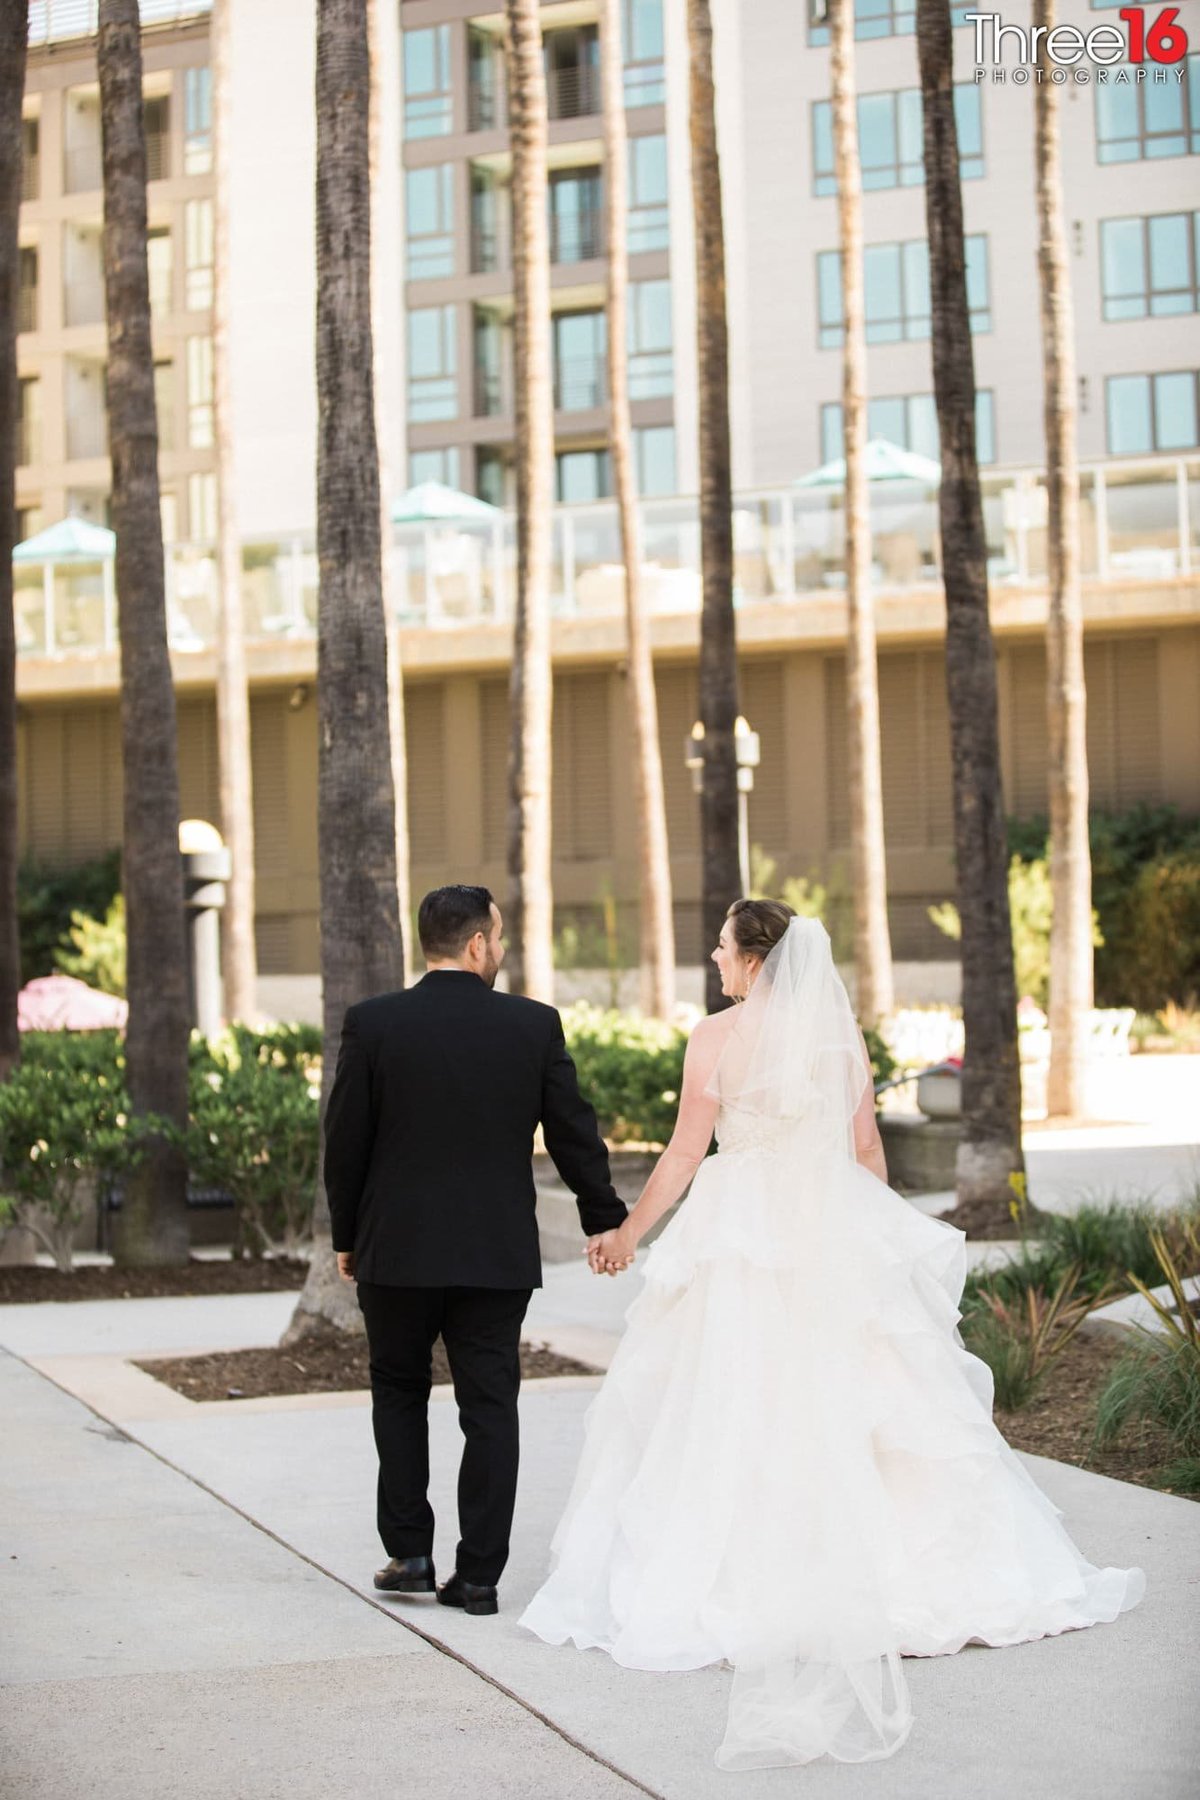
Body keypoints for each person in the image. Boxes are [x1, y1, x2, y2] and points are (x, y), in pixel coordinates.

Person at [521, 899, 1144, 1769]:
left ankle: (750, 1579)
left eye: (724, 945)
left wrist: (629, 1234)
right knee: (866, 1398)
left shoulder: (715, 1039)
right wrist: (869, 1237)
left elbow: (682, 1156)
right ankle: (911, 1580)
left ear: (754, 961)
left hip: (740, 1230)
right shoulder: (839, 1040)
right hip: (827, 1224)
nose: (714, 955)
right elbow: (867, 1156)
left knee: (733, 1396)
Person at [324, 884, 627, 1618]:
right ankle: (480, 1577)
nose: (501, 949)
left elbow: (345, 1142)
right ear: (477, 945)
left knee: (398, 1390)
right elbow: (573, 1132)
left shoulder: (374, 1023)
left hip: (394, 1251)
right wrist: (603, 1217)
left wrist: (345, 1237)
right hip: (493, 1254)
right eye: (499, 937)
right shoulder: (531, 1026)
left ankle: (410, 1553)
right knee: (490, 1405)